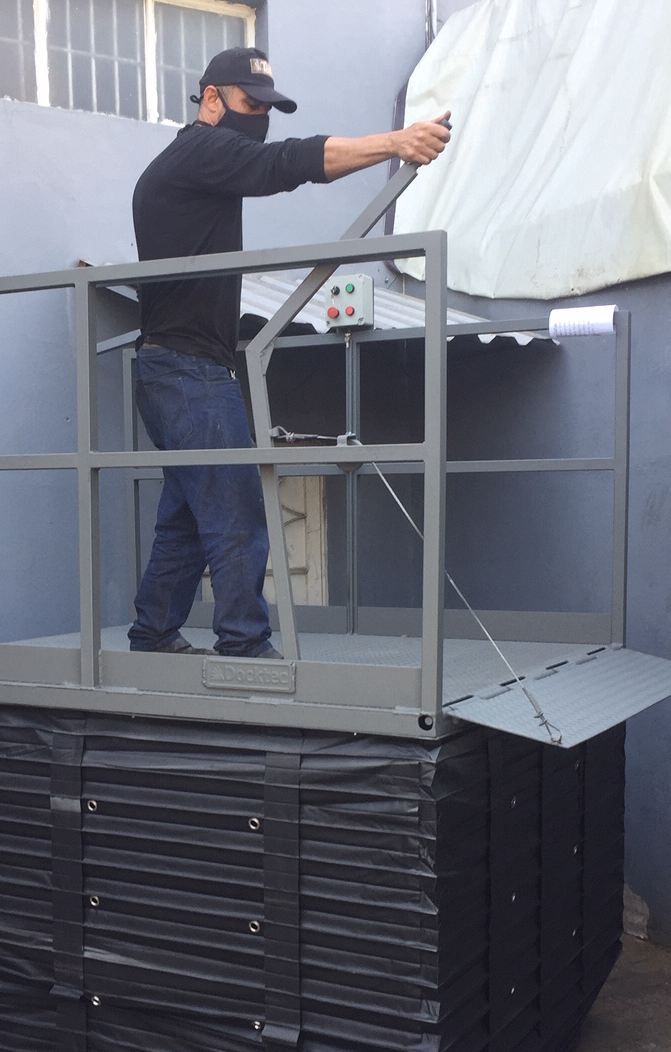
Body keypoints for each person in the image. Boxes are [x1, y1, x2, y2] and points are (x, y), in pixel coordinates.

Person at [128, 48, 450, 659]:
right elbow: (284, 162)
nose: (260, 118)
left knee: (188, 514)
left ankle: (153, 632)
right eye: (250, 104)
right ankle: (246, 647)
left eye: (267, 109)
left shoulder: (191, 164)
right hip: (189, 372)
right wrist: (395, 143)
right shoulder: (200, 151)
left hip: (173, 367)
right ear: (212, 98)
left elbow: (272, 160)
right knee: (236, 509)